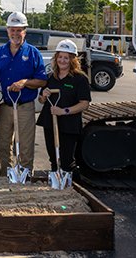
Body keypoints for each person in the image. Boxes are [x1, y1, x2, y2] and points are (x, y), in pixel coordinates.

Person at [0, 11, 47, 176]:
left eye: (19, 30)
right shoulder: (0, 52)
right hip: (5, 106)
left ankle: (24, 176)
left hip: (24, 107)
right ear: (7, 30)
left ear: (25, 31)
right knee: (3, 144)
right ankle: (6, 176)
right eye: (12, 30)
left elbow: (42, 81)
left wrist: (25, 83)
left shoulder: (33, 53)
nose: (15, 33)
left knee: (25, 145)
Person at [37, 39, 91, 178]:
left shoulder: (80, 79)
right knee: (53, 157)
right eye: (60, 57)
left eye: (66, 57)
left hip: (69, 124)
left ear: (72, 59)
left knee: (66, 159)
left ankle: (68, 184)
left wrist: (64, 111)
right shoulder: (50, 77)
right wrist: (43, 95)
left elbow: (84, 103)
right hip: (50, 122)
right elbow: (41, 100)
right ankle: (55, 180)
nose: (62, 60)